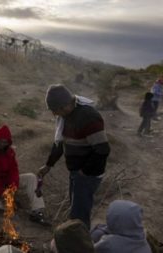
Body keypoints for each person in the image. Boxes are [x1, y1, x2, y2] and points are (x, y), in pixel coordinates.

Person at [38, 84, 110, 229]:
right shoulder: (66, 116)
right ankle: (76, 237)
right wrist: (48, 165)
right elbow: (60, 142)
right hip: (77, 172)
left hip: (87, 174)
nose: (54, 114)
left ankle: (80, 244)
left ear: (64, 106)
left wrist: (84, 173)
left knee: (79, 216)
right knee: (76, 208)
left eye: (54, 110)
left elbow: (102, 149)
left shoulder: (88, 117)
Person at [0, 125, 49, 225]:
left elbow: (13, 171)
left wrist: (12, 189)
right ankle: (10, 204)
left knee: (31, 177)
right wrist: (2, 194)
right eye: (0, 141)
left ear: (9, 142)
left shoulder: (10, 152)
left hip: (5, 182)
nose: (2, 144)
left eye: (5, 142)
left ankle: (37, 210)